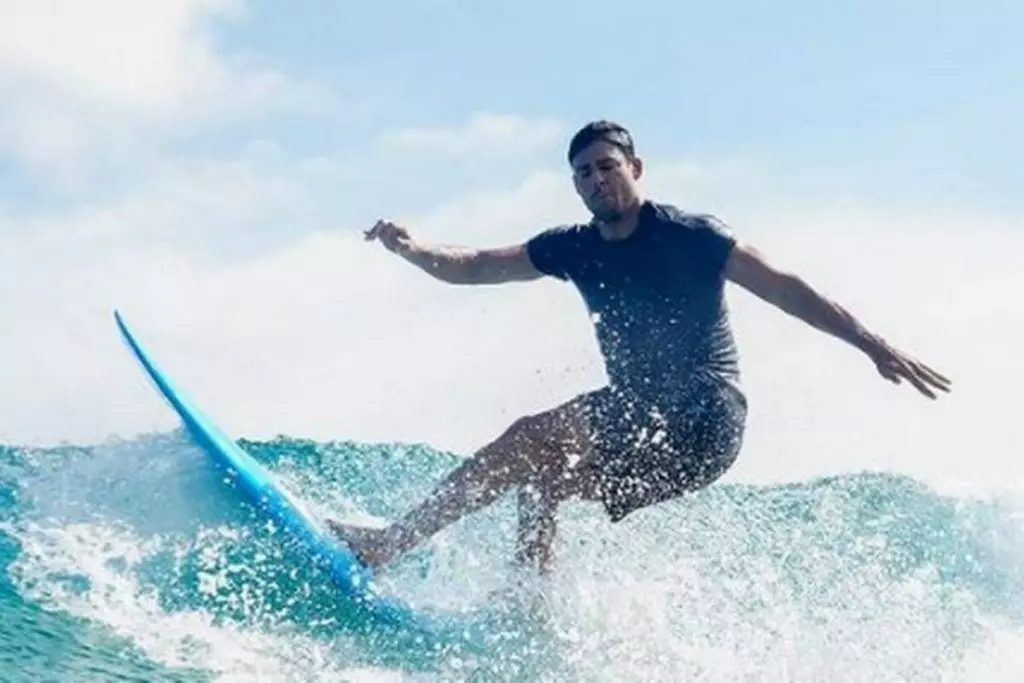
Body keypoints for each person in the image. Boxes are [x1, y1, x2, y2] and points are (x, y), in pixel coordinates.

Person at [327, 120, 951, 575]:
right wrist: (412, 248)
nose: (596, 179)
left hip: (706, 411)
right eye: (583, 172)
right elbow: (476, 266)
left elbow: (784, 288)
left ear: (636, 168)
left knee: (528, 437)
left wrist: (871, 344)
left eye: (607, 166)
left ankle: (388, 544)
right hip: (659, 431)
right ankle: (530, 612)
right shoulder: (573, 247)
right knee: (541, 478)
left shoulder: (691, 235)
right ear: (574, 185)